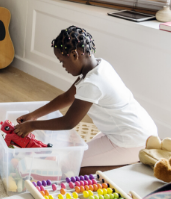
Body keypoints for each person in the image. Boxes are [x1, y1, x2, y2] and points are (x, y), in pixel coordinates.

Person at [14, 25, 158, 174]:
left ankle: (131, 166)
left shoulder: (92, 83)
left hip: (132, 140)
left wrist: (32, 126)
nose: (63, 66)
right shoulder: (100, 66)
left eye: (63, 61)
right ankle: (130, 157)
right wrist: (34, 115)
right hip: (139, 130)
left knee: (71, 168)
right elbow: (67, 97)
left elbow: (68, 122)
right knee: (74, 158)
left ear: (75, 55)